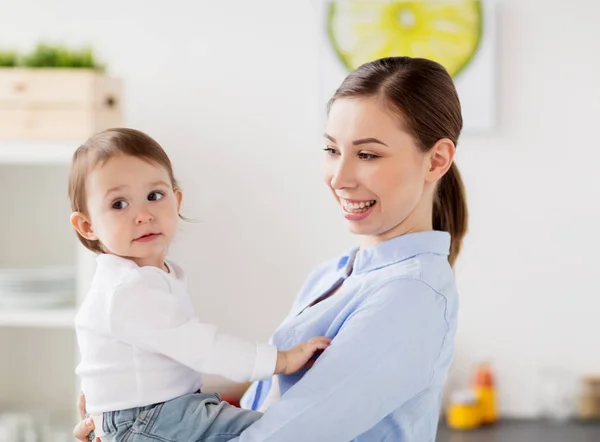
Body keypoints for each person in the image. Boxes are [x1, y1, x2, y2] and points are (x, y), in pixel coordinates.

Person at [74, 55, 468, 441]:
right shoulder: (334, 274)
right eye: (332, 150)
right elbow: (261, 414)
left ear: (436, 160)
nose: (339, 177)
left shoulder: (411, 296)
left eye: (367, 154)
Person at [68, 128, 330, 441]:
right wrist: (281, 360)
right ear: (87, 226)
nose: (143, 215)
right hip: (146, 419)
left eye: (154, 196)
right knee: (276, 433)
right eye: (119, 204)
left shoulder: (147, 275)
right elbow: (203, 348)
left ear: (176, 201)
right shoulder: (129, 290)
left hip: (162, 410)